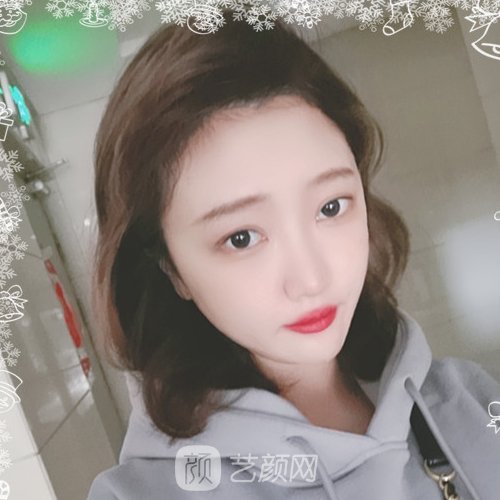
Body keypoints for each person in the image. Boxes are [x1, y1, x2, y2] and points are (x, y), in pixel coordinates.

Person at [87, 9, 500, 500]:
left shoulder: (467, 401)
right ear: (171, 269)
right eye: (242, 237)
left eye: (330, 207)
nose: (311, 279)